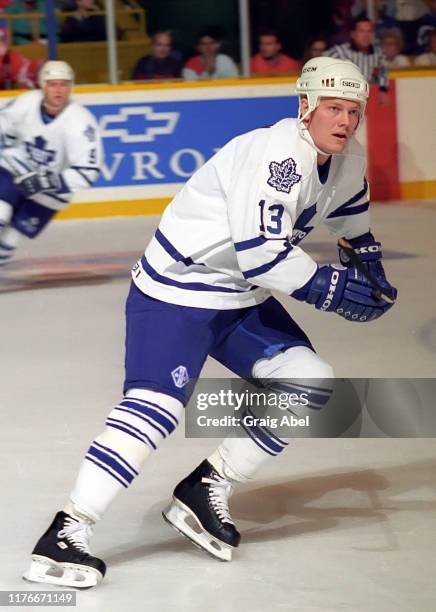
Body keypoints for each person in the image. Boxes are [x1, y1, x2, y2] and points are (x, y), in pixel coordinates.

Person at [23, 57, 397, 588]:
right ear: (305, 106)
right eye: (332, 107)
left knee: (310, 380)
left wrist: (371, 264)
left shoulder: (346, 157)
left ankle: (207, 485)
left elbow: (353, 220)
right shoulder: (279, 157)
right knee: (154, 410)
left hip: (237, 296)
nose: (343, 120)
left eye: (352, 111)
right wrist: (334, 290)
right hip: (176, 291)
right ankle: (64, 533)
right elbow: (262, 256)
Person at [0, 61, 102, 265]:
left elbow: (89, 170)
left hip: (52, 188)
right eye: (52, 84)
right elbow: (4, 124)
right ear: (42, 85)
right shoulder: (26, 102)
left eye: (64, 84)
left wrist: (46, 181)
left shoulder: (81, 122)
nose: (58, 90)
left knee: (11, 237)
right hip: (17, 167)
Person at [324, 17, 389, 102]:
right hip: (341, 98)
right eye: (361, 31)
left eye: (369, 31)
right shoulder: (339, 52)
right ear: (353, 34)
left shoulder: (378, 53)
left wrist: (382, 90)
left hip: (367, 100)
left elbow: (383, 72)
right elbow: (322, 68)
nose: (366, 35)